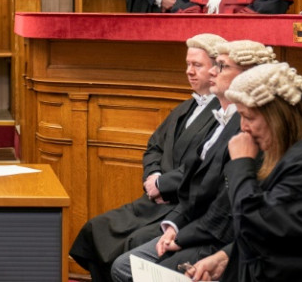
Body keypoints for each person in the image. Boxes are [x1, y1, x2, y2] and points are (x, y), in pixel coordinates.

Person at [111, 40, 277, 282]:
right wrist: (175, 226)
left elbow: (229, 204)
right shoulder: (221, 118)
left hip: (219, 236)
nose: (211, 71)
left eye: (220, 66)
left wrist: (183, 236)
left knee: (127, 267)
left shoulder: (250, 129)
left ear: (246, 78)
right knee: (122, 260)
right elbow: (194, 181)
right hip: (193, 219)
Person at [70, 33, 224, 282]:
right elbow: (154, 146)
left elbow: (203, 167)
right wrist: (152, 176)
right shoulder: (185, 107)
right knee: (96, 228)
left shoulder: (222, 115)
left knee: (129, 248)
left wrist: (163, 184)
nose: (189, 71)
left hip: (179, 205)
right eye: (187, 64)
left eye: (197, 65)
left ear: (216, 70)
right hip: (152, 200)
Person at [186, 62, 302, 282]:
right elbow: (281, 235)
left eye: (249, 117)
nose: (243, 127)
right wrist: (226, 257)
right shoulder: (291, 155)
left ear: (278, 117)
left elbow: (259, 226)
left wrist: (241, 164)